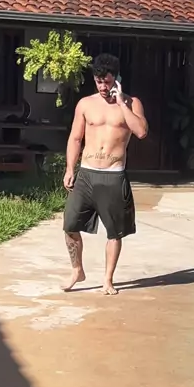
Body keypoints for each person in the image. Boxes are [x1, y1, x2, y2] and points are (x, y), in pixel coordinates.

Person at [62, 53, 148, 295]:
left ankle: (108, 280)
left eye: (107, 81)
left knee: (114, 231)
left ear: (117, 78)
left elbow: (141, 132)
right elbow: (75, 138)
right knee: (70, 224)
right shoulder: (85, 104)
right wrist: (70, 168)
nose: (102, 86)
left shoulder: (132, 103)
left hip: (113, 175)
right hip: (86, 174)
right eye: (98, 81)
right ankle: (77, 270)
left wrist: (121, 102)